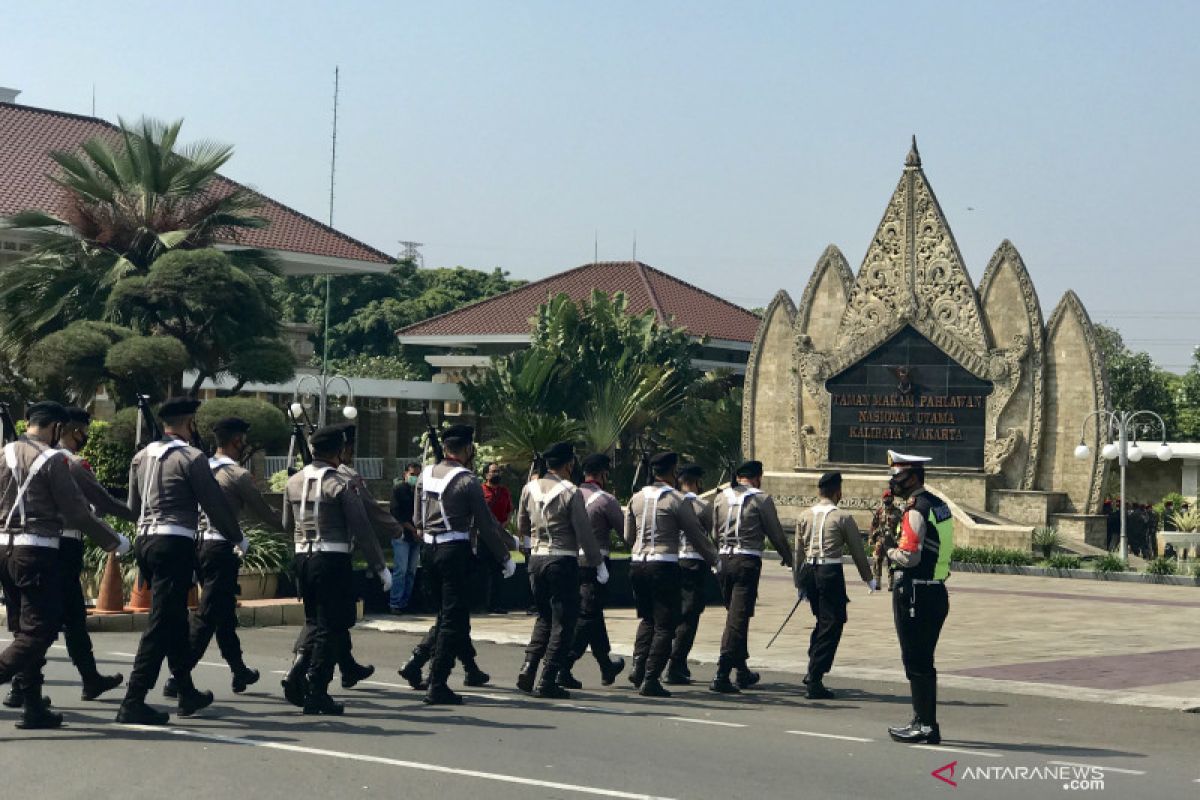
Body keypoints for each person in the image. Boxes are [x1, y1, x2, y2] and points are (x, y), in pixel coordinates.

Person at [116, 396, 245, 726]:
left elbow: (131, 509)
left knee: (173, 619)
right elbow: (213, 503)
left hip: (146, 540)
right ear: (190, 424)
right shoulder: (191, 457)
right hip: (173, 541)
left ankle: (186, 692)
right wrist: (236, 536)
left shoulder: (141, 456)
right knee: (161, 622)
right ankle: (133, 699)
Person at [0, 401, 128, 729]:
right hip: (36, 550)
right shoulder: (52, 459)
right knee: (39, 630)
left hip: (3, 549)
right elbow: (77, 513)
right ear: (57, 427)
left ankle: (33, 706)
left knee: (22, 628)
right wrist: (113, 541)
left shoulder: (3, 453)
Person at [164, 416, 279, 701]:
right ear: (237, 441)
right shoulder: (237, 475)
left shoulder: (198, 467)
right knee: (207, 615)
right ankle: (179, 676)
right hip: (220, 547)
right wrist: (292, 524)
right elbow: (263, 511)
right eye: (243, 441)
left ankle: (238, 668)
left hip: (196, 545)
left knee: (223, 612)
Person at [399, 425, 515, 705]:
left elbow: (416, 519)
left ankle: (426, 665)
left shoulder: (425, 475)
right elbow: (486, 523)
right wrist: (505, 555)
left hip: (429, 550)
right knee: (452, 619)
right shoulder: (467, 481)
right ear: (467, 449)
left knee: (448, 616)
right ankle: (437, 682)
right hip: (455, 551)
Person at [282, 424, 390, 715]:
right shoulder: (340, 483)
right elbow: (362, 527)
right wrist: (380, 566)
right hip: (332, 559)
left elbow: (286, 524)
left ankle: (305, 680)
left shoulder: (294, 481)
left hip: (302, 557)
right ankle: (317, 688)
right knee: (331, 627)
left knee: (315, 623)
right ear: (339, 450)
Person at [624, 451, 720, 698]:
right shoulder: (676, 500)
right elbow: (697, 535)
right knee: (666, 623)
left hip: (637, 562)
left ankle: (638, 665)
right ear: (673, 471)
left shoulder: (636, 498)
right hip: (663, 563)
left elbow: (627, 537)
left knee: (647, 619)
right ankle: (651, 677)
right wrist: (716, 561)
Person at [516, 442, 605, 698]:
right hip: (562, 559)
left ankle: (529, 666)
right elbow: (584, 531)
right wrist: (596, 562)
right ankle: (548, 678)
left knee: (544, 617)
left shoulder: (529, 488)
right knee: (564, 622)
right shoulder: (570, 491)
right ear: (569, 464)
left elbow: (521, 523)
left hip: (536, 559)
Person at [878, 449, 952, 745]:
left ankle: (925, 724)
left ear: (912, 477)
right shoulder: (939, 505)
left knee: (916, 660)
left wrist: (888, 549)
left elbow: (909, 556)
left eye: (897, 477)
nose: (893, 483)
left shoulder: (915, 510)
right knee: (924, 660)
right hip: (935, 589)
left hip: (915, 592)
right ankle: (924, 720)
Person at [709, 460, 794, 693]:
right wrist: (789, 558)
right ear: (757, 477)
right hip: (746, 562)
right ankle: (722, 672)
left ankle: (742, 670)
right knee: (737, 619)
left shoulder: (720, 498)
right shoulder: (761, 499)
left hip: (724, 560)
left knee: (737, 615)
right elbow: (775, 533)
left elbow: (714, 533)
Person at [795, 471, 875, 699]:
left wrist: (798, 582)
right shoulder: (842, 517)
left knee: (823, 620)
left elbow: (797, 553)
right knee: (833, 622)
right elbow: (858, 552)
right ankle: (815, 674)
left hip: (810, 571)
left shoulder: (804, 515)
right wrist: (868, 578)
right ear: (837, 491)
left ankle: (813, 663)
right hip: (830, 572)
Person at [559, 452, 625, 689]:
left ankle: (606, 665)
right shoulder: (606, 500)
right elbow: (626, 533)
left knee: (592, 614)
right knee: (588, 616)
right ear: (603, 474)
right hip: (596, 563)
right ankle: (564, 664)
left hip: (570, 560)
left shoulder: (569, 494)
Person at [666, 463, 713, 685]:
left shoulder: (670, 502)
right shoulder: (702, 506)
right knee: (689, 616)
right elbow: (713, 535)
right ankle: (676, 663)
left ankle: (672, 661)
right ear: (697, 482)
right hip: (694, 562)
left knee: (672, 613)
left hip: (672, 561)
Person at [478, 461, 514, 613]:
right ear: (486, 474)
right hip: (483, 536)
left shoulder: (504, 491)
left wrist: (504, 524)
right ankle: (480, 604)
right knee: (482, 569)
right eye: (493, 471)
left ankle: (496, 604)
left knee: (498, 570)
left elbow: (509, 510)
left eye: (498, 471)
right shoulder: (480, 490)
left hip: (499, 536)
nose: (496, 474)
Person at [388, 462, 422, 614]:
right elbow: (397, 514)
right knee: (400, 570)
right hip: (402, 534)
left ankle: (405, 602)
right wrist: (413, 530)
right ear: (405, 474)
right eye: (412, 474)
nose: (415, 477)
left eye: (417, 475)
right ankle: (395, 603)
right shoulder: (399, 490)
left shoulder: (421, 491)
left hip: (416, 536)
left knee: (411, 571)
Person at [869, 490, 901, 591]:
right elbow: (873, 525)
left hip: (891, 541)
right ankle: (877, 583)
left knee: (891, 563)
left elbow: (902, 526)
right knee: (877, 560)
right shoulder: (880, 511)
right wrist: (871, 537)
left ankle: (891, 584)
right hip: (880, 540)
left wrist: (899, 538)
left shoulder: (897, 512)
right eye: (886, 498)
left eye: (889, 498)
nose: (887, 499)